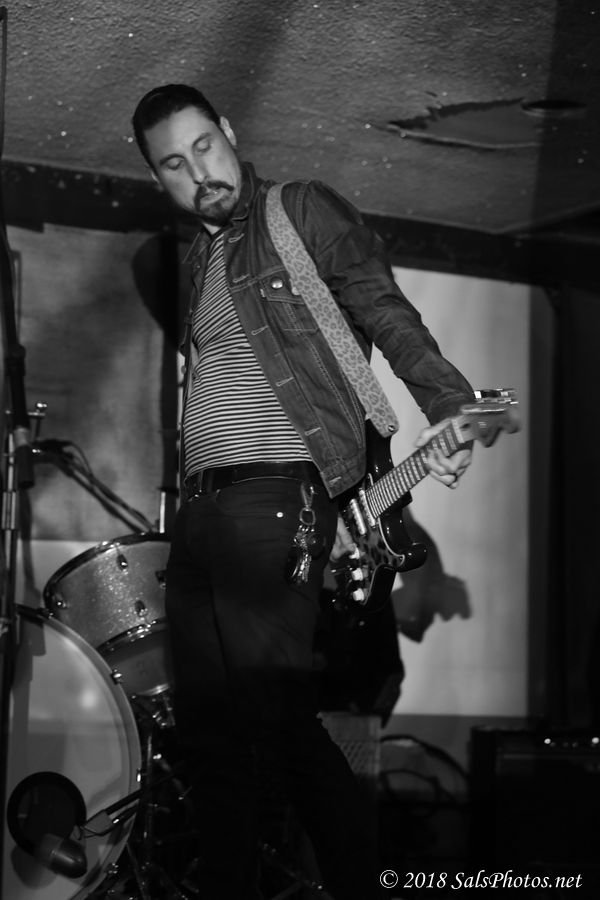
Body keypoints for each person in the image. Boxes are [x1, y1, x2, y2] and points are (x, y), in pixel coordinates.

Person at [132, 83, 473, 900]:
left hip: (274, 501)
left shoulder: (299, 211)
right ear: (158, 177)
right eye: (173, 164)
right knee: (212, 740)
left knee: (276, 721)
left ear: (229, 132)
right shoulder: (195, 261)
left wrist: (449, 403)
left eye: (204, 147)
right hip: (201, 514)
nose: (197, 173)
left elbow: (384, 311)